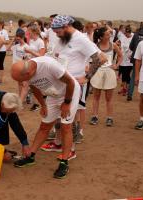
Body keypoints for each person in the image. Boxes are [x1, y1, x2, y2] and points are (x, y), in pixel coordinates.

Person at [41, 15, 106, 156]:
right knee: (59, 117)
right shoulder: (63, 38)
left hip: (74, 86)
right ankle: (58, 143)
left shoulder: (81, 39)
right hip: (59, 85)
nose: (56, 34)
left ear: (66, 27)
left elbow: (101, 58)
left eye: (58, 31)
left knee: (69, 118)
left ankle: (71, 149)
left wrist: (87, 77)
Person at [11, 56, 81, 179]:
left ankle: (64, 162)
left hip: (70, 92)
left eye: (21, 80)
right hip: (53, 95)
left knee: (66, 127)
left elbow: (70, 82)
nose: (21, 84)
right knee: (44, 125)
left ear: (28, 73)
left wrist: (67, 102)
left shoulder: (49, 65)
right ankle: (30, 157)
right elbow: (35, 89)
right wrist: (43, 105)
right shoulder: (28, 73)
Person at [90, 27, 122, 126]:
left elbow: (120, 55)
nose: (109, 36)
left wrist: (116, 65)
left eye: (109, 34)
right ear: (101, 37)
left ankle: (109, 117)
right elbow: (92, 60)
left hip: (109, 71)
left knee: (109, 97)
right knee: (96, 96)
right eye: (107, 34)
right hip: (98, 72)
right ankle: (95, 116)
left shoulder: (113, 45)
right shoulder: (95, 46)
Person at [127, 21, 143, 101]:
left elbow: (131, 46)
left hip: (137, 58)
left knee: (133, 76)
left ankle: (129, 94)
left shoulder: (136, 34)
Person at [118, 25, 134, 96]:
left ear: (130, 32)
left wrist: (133, 55)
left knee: (127, 74)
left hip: (130, 60)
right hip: (123, 59)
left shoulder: (133, 37)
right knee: (124, 74)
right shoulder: (122, 37)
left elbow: (135, 47)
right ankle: (124, 88)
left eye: (127, 34)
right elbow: (118, 43)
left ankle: (127, 88)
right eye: (125, 34)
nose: (126, 35)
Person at [0, 20, 10, 85]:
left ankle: (0, 80)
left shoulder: (4, 32)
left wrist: (2, 41)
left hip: (2, 51)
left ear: (1, 24)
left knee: (0, 64)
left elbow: (7, 41)